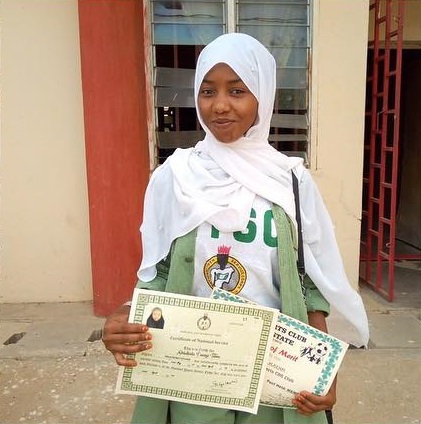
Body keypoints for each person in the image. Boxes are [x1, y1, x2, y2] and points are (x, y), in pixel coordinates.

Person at [102, 32, 369, 424]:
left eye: (238, 90)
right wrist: (126, 317)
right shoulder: (175, 176)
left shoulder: (291, 180)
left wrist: (322, 369)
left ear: (263, 95)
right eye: (208, 91)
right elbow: (156, 272)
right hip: (194, 365)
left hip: (274, 369)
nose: (220, 105)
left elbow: (310, 284)